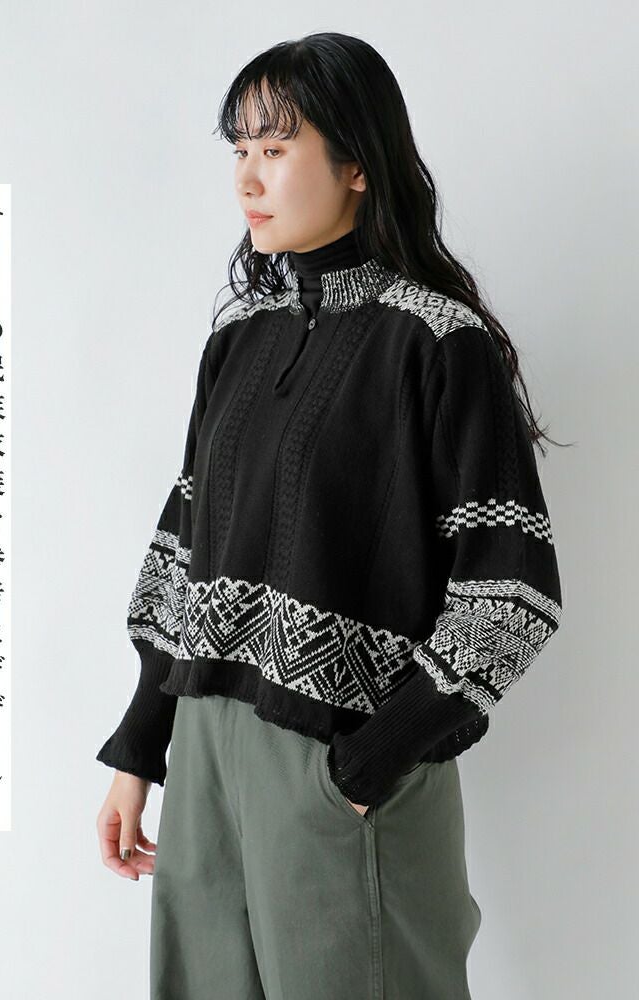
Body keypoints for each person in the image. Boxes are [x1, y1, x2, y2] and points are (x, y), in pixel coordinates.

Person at [95, 31, 564, 1000]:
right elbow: (181, 555)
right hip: (206, 757)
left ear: (356, 163)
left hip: (339, 767)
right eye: (239, 149)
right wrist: (141, 748)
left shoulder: (437, 342)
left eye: (275, 147)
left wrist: (362, 769)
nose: (247, 177)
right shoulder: (239, 340)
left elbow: (510, 596)